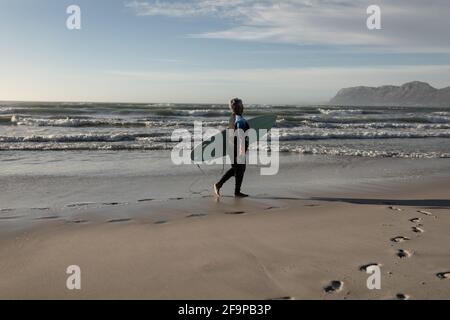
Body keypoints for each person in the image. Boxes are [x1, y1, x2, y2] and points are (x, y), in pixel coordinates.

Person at [214, 98, 250, 198]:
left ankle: (222, 186)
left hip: (232, 146)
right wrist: (242, 148)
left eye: (240, 105)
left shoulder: (233, 117)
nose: (240, 107)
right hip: (236, 147)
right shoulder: (238, 118)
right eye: (237, 106)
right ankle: (234, 191)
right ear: (234, 108)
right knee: (239, 169)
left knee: (238, 169)